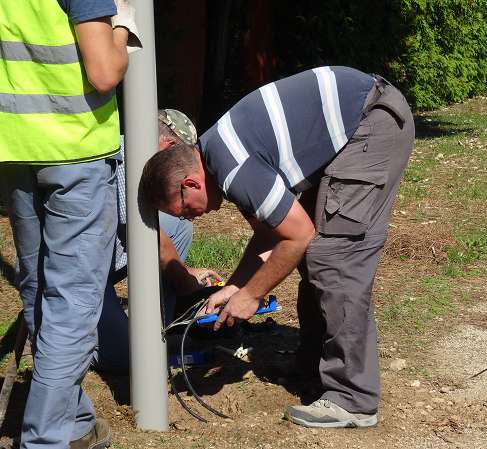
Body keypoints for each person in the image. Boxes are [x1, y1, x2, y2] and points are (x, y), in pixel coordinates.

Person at [140, 66, 415, 428]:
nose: (191, 219)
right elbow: (270, 235)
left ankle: (353, 399)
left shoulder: (234, 167)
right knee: (317, 258)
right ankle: (315, 368)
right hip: (357, 123)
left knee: (334, 259)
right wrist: (235, 286)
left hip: (371, 123)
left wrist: (251, 295)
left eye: (183, 211)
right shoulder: (215, 157)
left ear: (191, 184)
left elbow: (297, 235)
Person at [0, 1, 139, 448]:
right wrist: (123, 29)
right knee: (73, 305)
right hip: (74, 150)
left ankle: (74, 421)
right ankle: (46, 440)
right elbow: (103, 72)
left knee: (39, 290)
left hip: (16, 147)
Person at [92, 109, 220, 374]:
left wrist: (185, 274)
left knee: (179, 224)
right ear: (170, 146)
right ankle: (87, 348)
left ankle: (159, 326)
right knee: (132, 361)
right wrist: (186, 282)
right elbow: (152, 238)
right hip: (85, 273)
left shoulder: (141, 157)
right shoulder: (129, 159)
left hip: (105, 255)